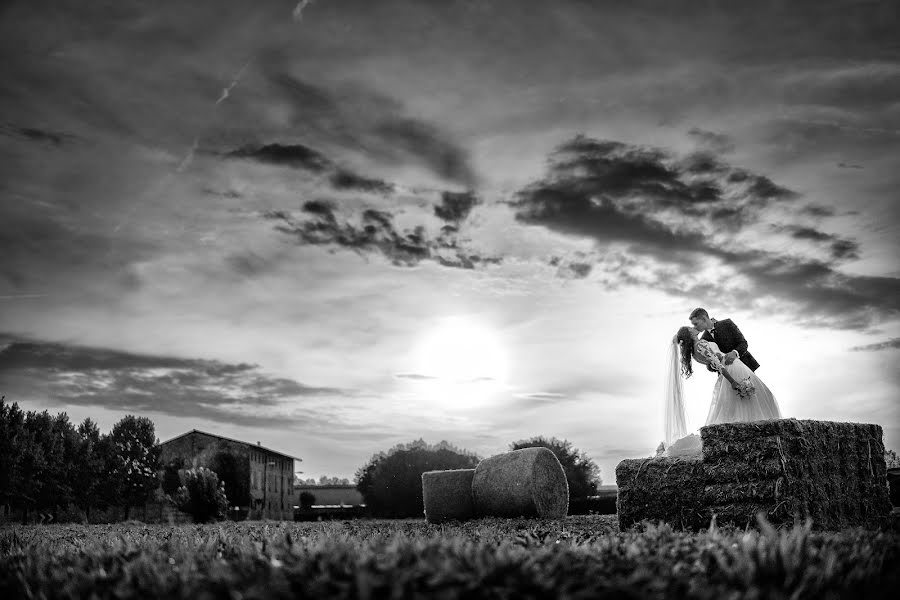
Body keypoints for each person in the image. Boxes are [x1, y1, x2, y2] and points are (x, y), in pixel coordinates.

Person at [661, 324, 782, 457]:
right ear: (690, 334)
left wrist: (718, 357)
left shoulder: (694, 352)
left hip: (728, 369)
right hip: (732, 368)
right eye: (691, 328)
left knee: (738, 405)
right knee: (757, 397)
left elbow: (712, 362)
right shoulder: (700, 344)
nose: (694, 328)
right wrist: (732, 381)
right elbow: (718, 365)